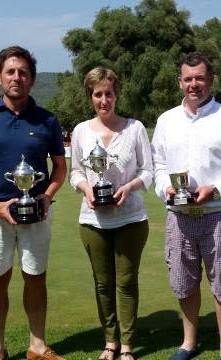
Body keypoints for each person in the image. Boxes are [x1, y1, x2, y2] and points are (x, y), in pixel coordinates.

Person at [0, 45, 67, 360]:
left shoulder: (47, 119)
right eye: (10, 71)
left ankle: (36, 346)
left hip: (37, 214)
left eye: (23, 72)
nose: (16, 77)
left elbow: (59, 167)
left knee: (36, 278)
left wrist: (47, 195)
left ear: (32, 79)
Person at [151, 52, 221, 360]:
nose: (194, 84)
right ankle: (189, 343)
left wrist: (217, 188)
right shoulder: (166, 120)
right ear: (180, 82)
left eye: (200, 78)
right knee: (183, 281)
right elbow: (158, 164)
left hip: (219, 213)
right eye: (188, 79)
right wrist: (165, 189)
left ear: (210, 80)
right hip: (178, 215)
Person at [69, 67, 153, 360]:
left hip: (130, 218)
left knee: (126, 282)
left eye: (109, 93)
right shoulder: (80, 131)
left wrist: (129, 187)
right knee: (103, 284)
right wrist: (87, 190)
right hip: (93, 220)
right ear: (90, 96)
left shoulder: (135, 128)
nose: (103, 100)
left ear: (117, 95)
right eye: (97, 94)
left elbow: (148, 170)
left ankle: (127, 345)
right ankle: (110, 341)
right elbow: (76, 172)